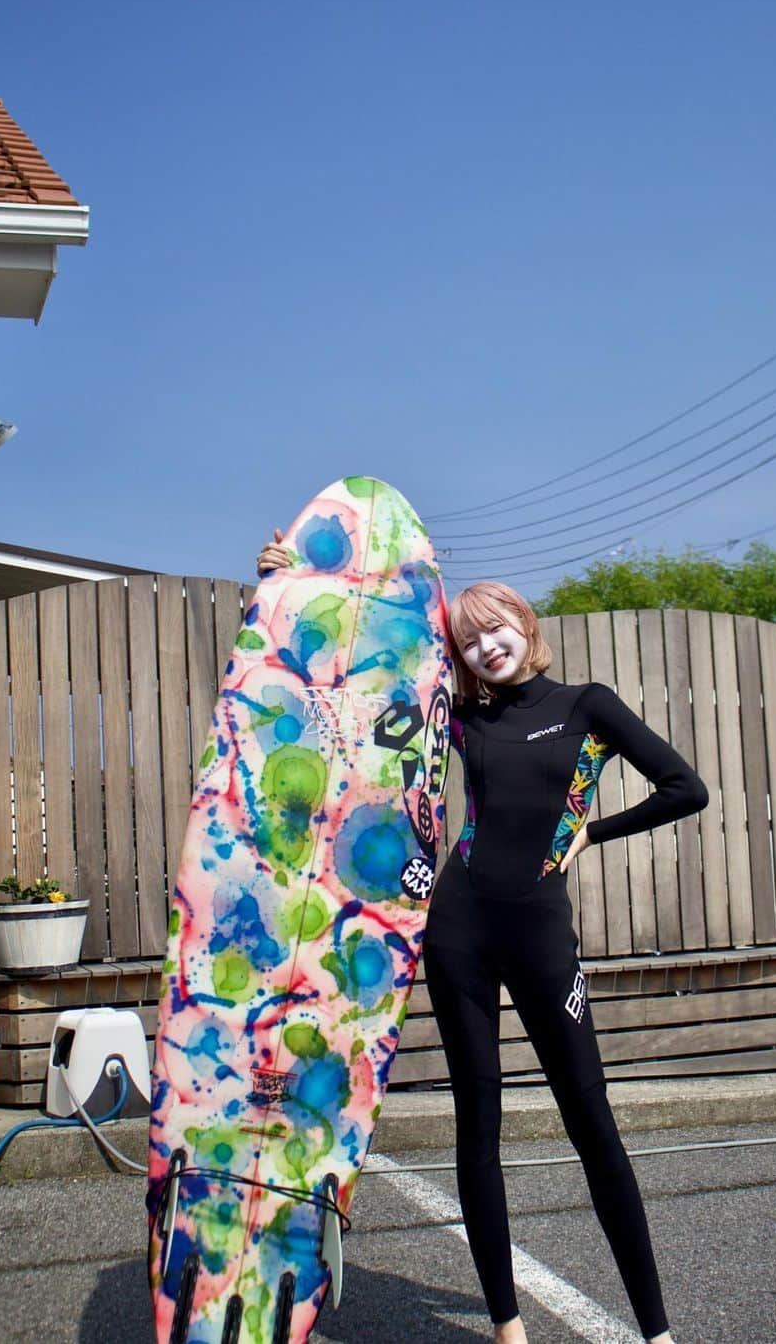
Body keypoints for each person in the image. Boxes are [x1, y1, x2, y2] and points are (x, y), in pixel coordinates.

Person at [257, 532, 707, 1344]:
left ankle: (656, 1331)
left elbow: (687, 788)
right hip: (458, 932)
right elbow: (345, 683)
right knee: (479, 1126)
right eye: (466, 639)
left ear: (523, 624)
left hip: (541, 936)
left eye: (493, 628)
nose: (483, 645)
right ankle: (507, 1325)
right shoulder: (455, 716)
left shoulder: (587, 707)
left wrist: (592, 833)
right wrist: (288, 587)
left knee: (593, 1124)